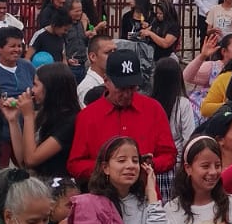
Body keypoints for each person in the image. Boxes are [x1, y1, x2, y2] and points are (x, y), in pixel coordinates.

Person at [65, 51, 176, 181]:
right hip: (104, 194)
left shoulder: (153, 109)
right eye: (121, 88)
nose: (127, 94)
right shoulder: (88, 116)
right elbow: (75, 164)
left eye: (132, 87)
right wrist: (107, 169)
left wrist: (150, 164)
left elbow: (169, 154)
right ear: (106, 81)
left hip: (145, 191)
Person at [5, 64, 83, 183]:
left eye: (36, 85)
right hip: (39, 186)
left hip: (58, 190)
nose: (32, 90)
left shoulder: (70, 121)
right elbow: (23, 160)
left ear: (51, 88)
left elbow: (31, 159)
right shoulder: (46, 114)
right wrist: (13, 121)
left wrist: (28, 116)